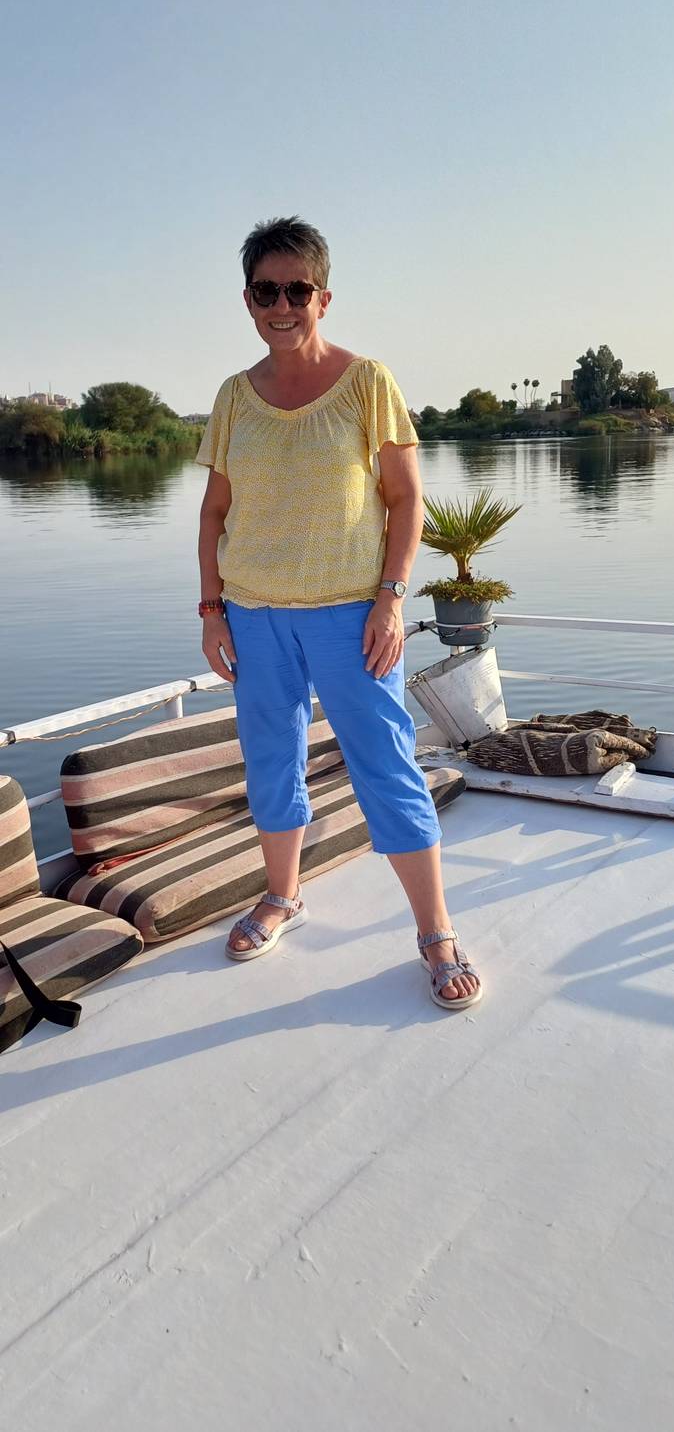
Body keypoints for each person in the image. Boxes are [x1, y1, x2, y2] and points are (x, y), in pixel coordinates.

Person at [196, 216, 481, 1011]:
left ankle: (435, 932)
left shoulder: (367, 382)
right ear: (247, 298)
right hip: (253, 616)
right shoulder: (232, 397)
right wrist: (213, 609)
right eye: (265, 291)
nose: (280, 305)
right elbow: (215, 512)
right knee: (271, 760)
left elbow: (405, 499)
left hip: (349, 615)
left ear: (324, 297)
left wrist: (392, 600)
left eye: (297, 290)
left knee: (385, 765)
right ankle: (282, 895)